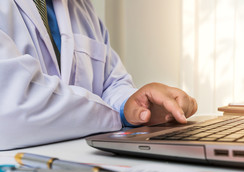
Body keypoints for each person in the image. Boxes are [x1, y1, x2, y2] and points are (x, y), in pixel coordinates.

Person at [0, 0, 197, 150]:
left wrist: (135, 105)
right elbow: (11, 109)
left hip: (81, 162)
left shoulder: (81, 7)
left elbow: (112, 82)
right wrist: (120, 115)